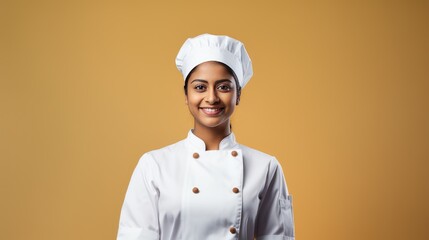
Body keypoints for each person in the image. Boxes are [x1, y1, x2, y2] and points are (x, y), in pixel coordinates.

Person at [117, 33, 295, 240]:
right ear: (186, 95)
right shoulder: (153, 165)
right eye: (200, 87)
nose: (211, 98)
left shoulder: (266, 167)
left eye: (224, 87)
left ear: (238, 95)